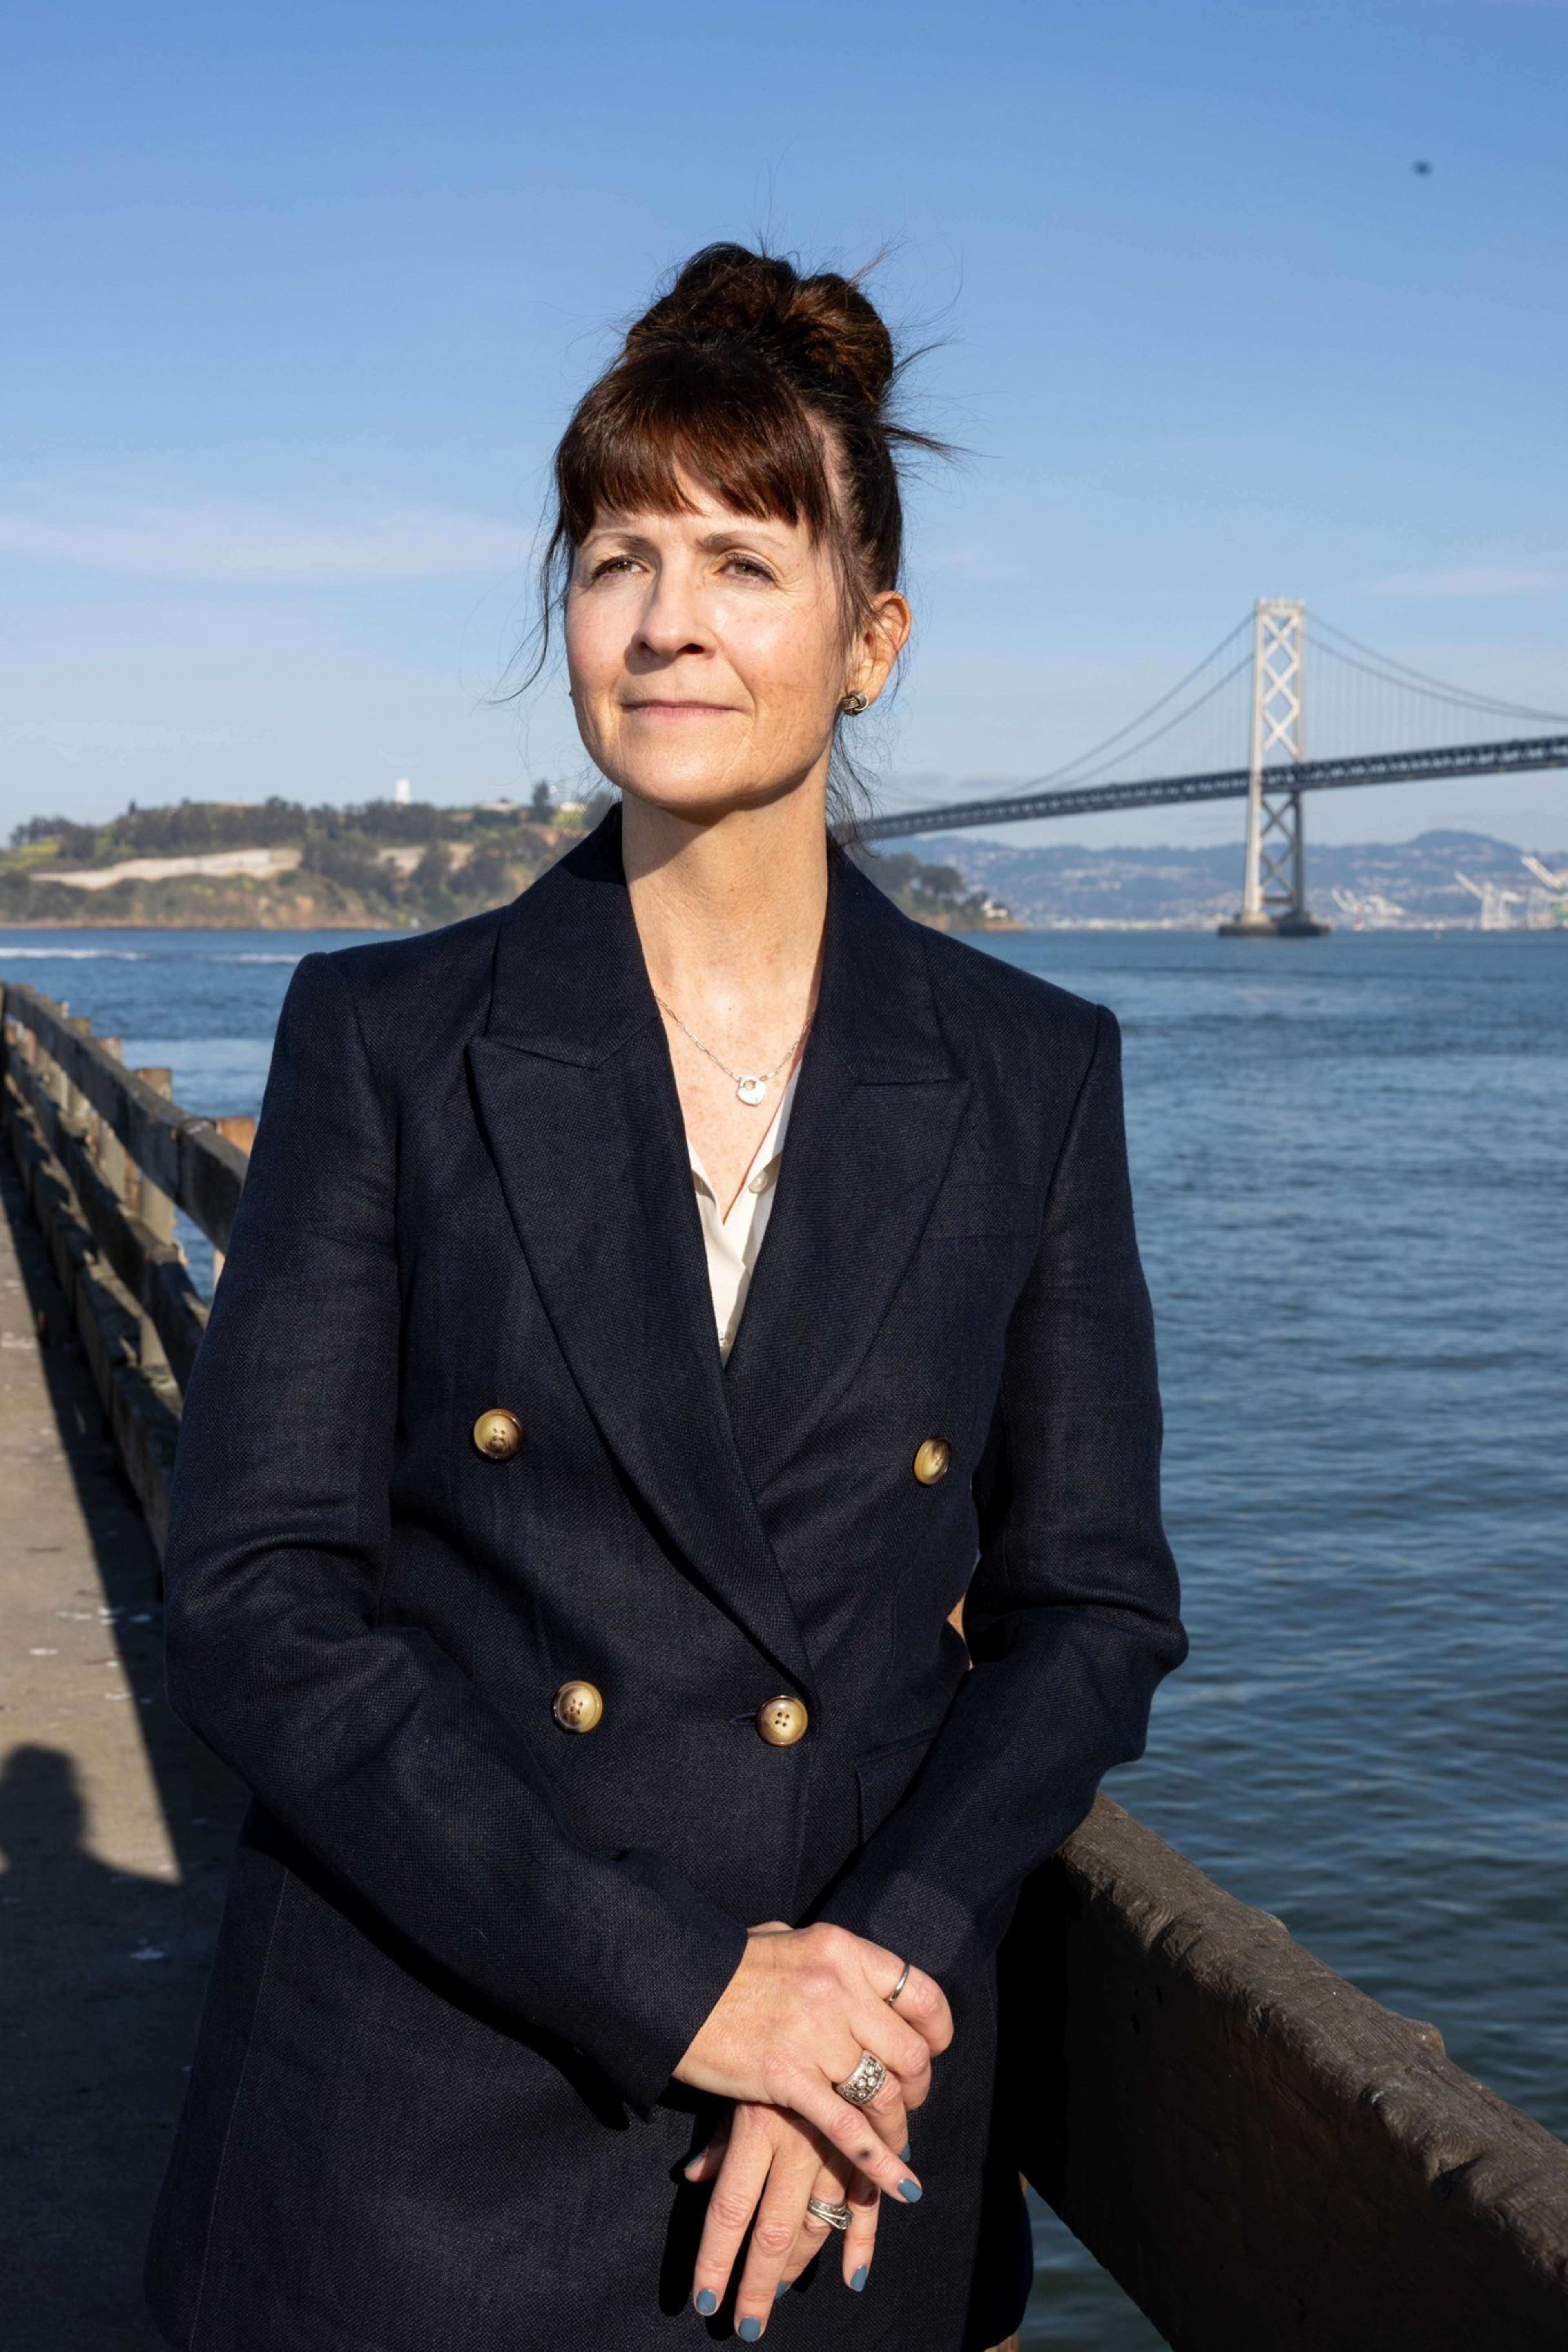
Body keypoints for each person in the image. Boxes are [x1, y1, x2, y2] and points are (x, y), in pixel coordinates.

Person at [143, 239, 1188, 2352]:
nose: (668, 622)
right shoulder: (388, 1030)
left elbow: (1088, 1605)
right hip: (431, 2105)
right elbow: (260, 1588)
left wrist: (859, 1986)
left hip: (836, 2134)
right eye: (616, 559)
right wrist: (692, 1983)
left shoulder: (1023, 1065)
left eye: (739, 558)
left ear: (867, 637)